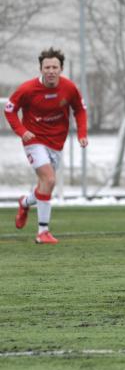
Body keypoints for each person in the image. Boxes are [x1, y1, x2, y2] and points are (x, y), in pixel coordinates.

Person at [4, 47, 88, 244]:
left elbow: (79, 110)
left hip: (57, 142)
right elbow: (9, 110)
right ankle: (43, 232)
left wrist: (82, 134)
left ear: (61, 69)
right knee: (49, 179)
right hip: (33, 140)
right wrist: (22, 132)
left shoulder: (69, 88)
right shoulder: (27, 89)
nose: (51, 71)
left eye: (54, 67)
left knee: (45, 185)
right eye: (47, 67)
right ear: (40, 69)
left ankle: (25, 202)